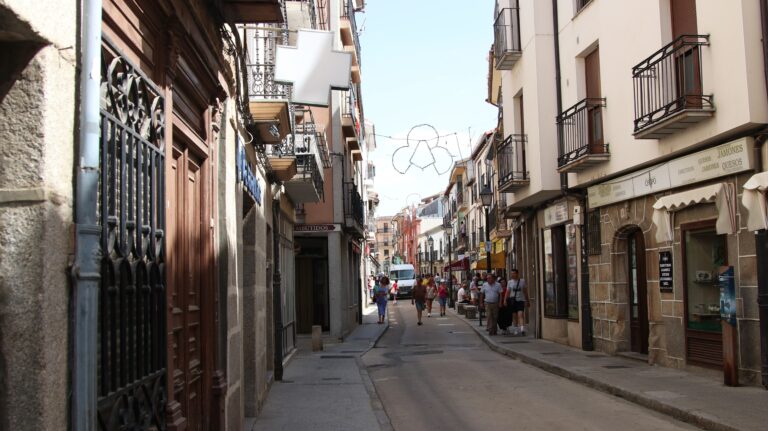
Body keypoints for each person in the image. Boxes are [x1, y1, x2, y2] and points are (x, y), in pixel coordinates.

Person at [505, 268, 530, 336]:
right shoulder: (510, 282)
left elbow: (525, 291)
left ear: (517, 274)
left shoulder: (522, 281)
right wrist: (505, 300)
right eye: (511, 273)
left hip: (520, 300)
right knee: (514, 315)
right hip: (513, 301)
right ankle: (516, 329)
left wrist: (527, 300)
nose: (512, 275)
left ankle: (522, 329)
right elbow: (508, 292)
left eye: (513, 273)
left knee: (520, 314)